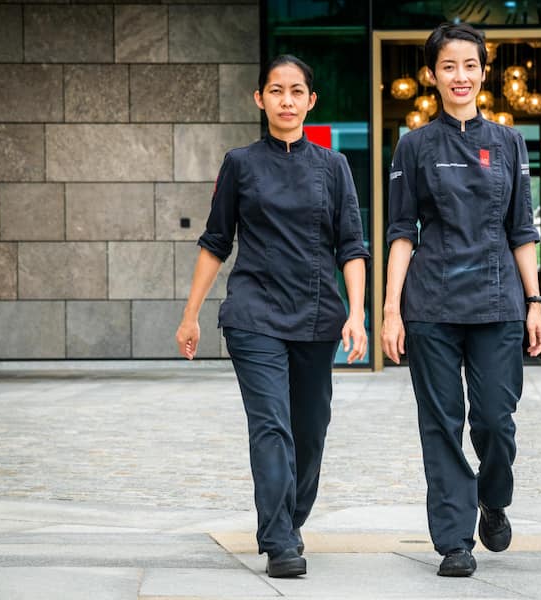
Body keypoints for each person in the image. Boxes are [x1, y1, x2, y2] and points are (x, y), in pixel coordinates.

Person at [175, 55, 370, 578]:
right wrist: (191, 315)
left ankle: (290, 518)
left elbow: (352, 246)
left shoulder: (334, 166)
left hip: (316, 317)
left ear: (311, 101)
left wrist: (357, 314)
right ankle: (279, 539)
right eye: (276, 91)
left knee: (310, 430)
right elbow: (216, 241)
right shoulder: (240, 164)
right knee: (270, 426)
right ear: (260, 99)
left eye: (296, 91)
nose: (287, 100)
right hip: (254, 314)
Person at [381, 23, 541, 578]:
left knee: (496, 420)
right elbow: (401, 232)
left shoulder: (509, 142)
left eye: (470, 65)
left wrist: (535, 301)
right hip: (430, 302)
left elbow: (522, 229)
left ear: (484, 71)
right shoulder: (414, 145)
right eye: (448, 66)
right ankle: (454, 540)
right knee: (440, 423)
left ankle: (493, 498)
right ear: (432, 75)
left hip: (498, 302)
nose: (460, 76)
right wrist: (391, 310)